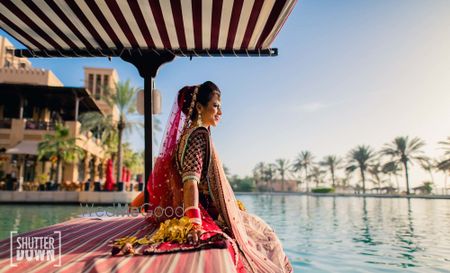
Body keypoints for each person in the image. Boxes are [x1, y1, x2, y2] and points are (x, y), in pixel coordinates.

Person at [114, 81, 293, 273]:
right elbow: (190, 182)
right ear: (199, 107)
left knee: (257, 229)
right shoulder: (198, 135)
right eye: (215, 106)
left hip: (196, 208)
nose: (220, 112)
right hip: (200, 211)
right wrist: (195, 224)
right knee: (263, 236)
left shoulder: (187, 134)